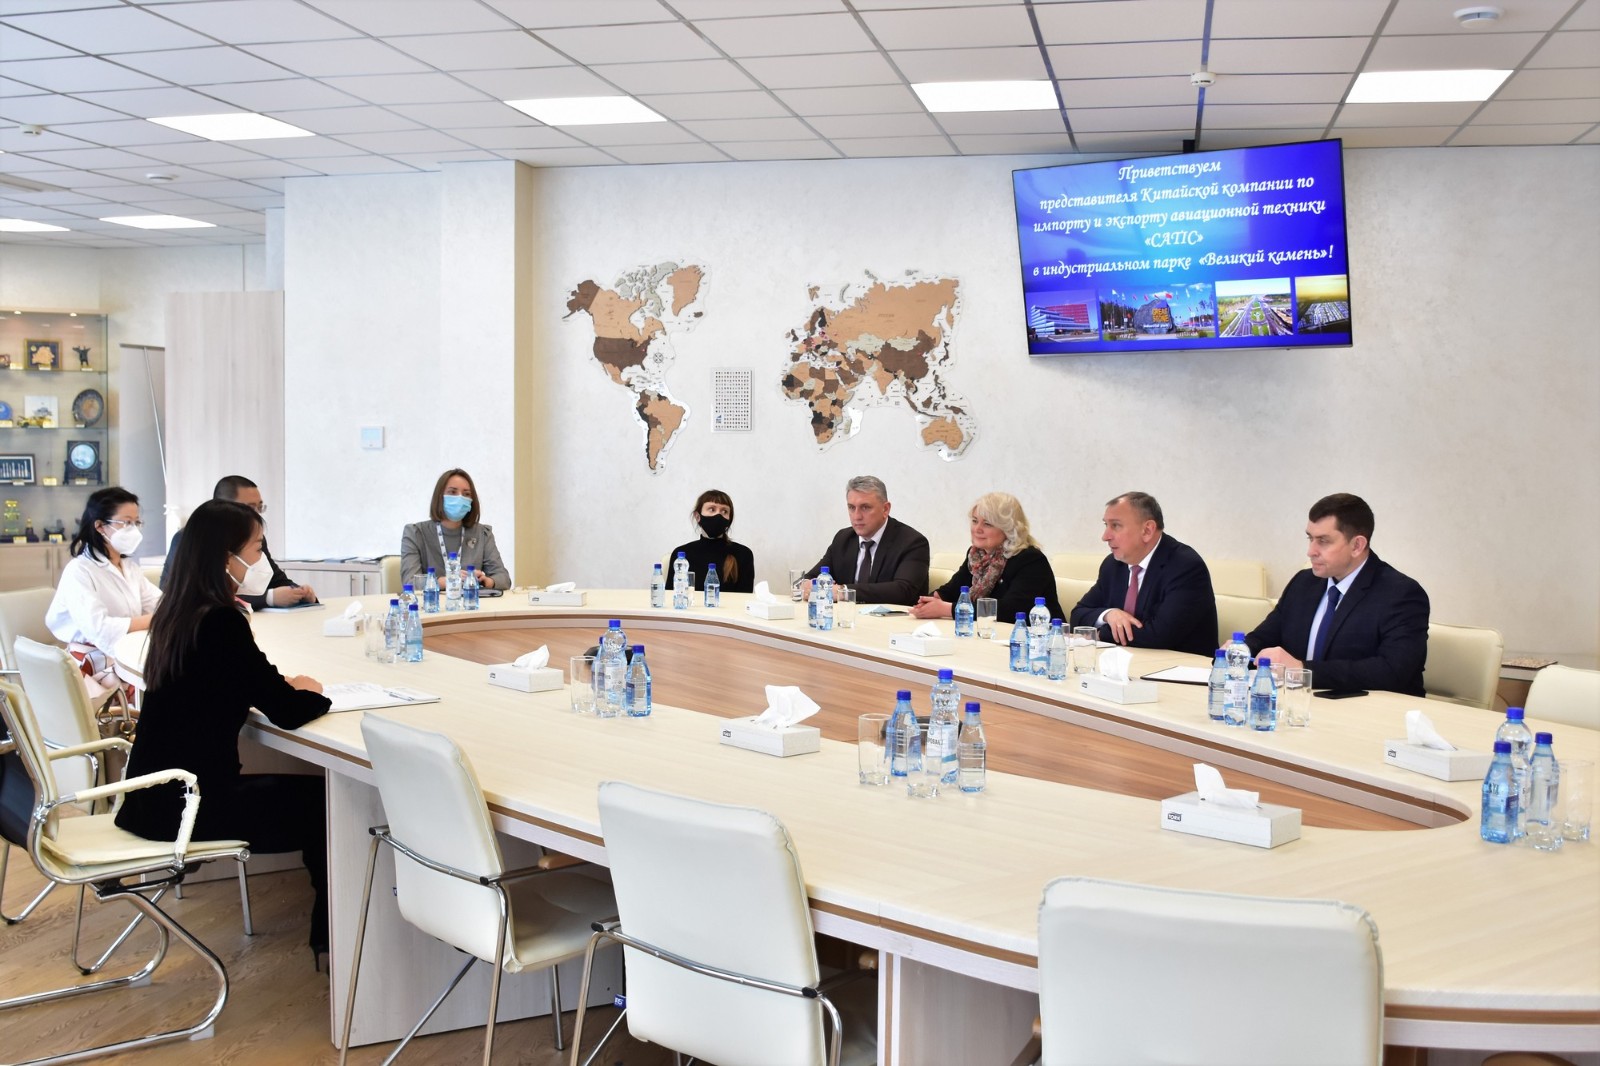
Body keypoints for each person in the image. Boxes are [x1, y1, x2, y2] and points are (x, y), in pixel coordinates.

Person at [114, 499, 332, 954]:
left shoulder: (180, 611)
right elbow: (287, 710)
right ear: (226, 557)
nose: (261, 559)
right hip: (187, 808)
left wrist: (276, 686)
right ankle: (329, 944)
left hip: (150, 798)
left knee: (310, 797)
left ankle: (326, 940)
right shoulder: (221, 621)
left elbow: (236, 681)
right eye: (256, 548)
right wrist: (312, 691)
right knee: (327, 804)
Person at [1246, 493, 1429, 696]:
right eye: (1310, 538)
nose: (1311, 551)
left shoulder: (1401, 594)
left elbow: (1392, 671)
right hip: (1300, 704)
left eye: (1323, 541)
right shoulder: (1303, 583)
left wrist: (1301, 670)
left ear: (1357, 545)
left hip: (1374, 710)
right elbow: (1265, 636)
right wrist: (1241, 650)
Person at [45, 487, 161, 701]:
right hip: (91, 664)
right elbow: (100, 628)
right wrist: (153, 619)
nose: (133, 530)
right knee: (160, 691)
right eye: (126, 523)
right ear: (99, 526)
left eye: (137, 523)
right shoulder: (79, 571)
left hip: (123, 652)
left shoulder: (129, 568)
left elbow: (159, 604)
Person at [1069, 491, 1217, 657]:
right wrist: (1109, 615)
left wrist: (1100, 634)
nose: (1105, 536)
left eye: (1115, 526)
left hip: (1180, 667)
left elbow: (1160, 635)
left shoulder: (1185, 566)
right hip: (1126, 663)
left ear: (1147, 530)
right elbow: (1077, 615)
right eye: (1106, 525)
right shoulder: (1113, 565)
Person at [161, 474, 317, 608]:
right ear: (222, 507)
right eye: (249, 508)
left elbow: (274, 578)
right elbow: (198, 595)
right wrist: (269, 598)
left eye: (260, 507)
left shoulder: (253, 538)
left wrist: (299, 592)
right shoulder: (191, 538)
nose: (256, 515)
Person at [911, 492, 1064, 622]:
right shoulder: (976, 556)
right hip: (989, 634)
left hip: (1039, 639)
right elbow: (952, 590)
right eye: (975, 521)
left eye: (987, 524)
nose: (977, 529)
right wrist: (928, 601)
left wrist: (947, 609)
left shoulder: (1031, 560)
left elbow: (1011, 610)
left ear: (1008, 528)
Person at [801, 475, 929, 606]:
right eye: (852, 507)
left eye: (865, 507)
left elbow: (903, 590)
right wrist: (808, 585)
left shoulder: (912, 542)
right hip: (847, 616)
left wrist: (844, 592)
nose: (857, 516)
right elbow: (813, 576)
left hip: (896, 618)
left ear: (885, 509)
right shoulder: (843, 539)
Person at [401, 468, 512, 591]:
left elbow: (504, 579)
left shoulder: (483, 534)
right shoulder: (415, 533)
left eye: (466, 494)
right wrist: (448, 581)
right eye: (452, 492)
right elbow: (410, 582)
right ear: (440, 497)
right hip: (432, 602)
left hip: (471, 601)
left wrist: (485, 581)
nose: (460, 498)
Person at [668, 489, 755, 594]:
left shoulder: (743, 554)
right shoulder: (681, 555)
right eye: (712, 509)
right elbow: (670, 596)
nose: (718, 515)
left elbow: (744, 599)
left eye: (724, 511)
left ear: (729, 519)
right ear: (697, 516)